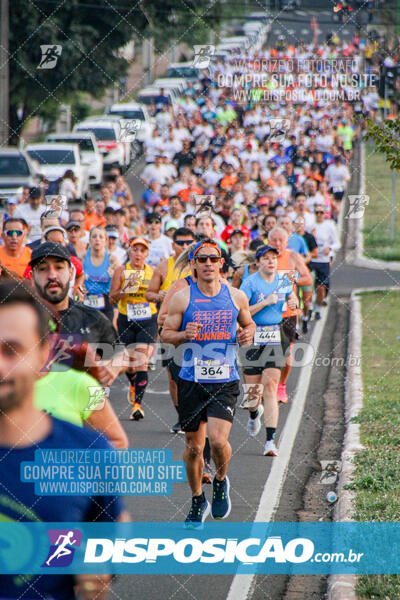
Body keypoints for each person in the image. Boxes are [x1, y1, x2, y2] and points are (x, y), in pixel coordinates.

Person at [0, 281, 129, 600]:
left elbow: (113, 523)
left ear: (44, 352)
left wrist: (99, 571)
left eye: (12, 350)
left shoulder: (91, 449)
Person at [162, 238, 255, 526]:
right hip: (191, 379)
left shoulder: (235, 296)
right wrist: (183, 335)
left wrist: (247, 333)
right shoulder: (182, 298)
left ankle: (220, 479)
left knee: (217, 441)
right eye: (201, 259)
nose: (207, 264)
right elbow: (165, 334)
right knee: (192, 447)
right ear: (193, 264)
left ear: (221, 263)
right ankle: (196, 498)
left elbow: (249, 323)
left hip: (224, 379)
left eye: (213, 259)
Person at [31, 242, 123, 388]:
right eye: (43, 269)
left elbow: (120, 352)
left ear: (71, 273)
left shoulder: (92, 318)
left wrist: (114, 365)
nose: (52, 275)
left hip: (84, 408)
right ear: (32, 277)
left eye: (59, 267)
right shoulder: (19, 321)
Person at [240, 245, 298, 456]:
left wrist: (293, 300)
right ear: (258, 263)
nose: (271, 261)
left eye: (274, 258)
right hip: (253, 335)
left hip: (275, 334)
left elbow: (293, 299)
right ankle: (254, 414)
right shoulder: (250, 282)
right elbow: (242, 310)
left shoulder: (283, 280)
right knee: (252, 395)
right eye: (266, 258)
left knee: (270, 386)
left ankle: (270, 441)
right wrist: (265, 302)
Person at [146, 228, 196, 432]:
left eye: (188, 243)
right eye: (180, 242)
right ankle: (182, 416)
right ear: (172, 244)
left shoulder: (201, 267)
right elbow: (149, 293)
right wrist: (162, 297)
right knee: (174, 377)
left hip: (194, 331)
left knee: (193, 375)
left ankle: (194, 415)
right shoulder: (164, 267)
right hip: (168, 327)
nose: (184, 246)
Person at [109, 237, 157, 421]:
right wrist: (125, 291)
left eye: (142, 250)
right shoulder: (122, 271)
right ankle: (133, 385)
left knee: (141, 361)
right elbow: (112, 298)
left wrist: (156, 296)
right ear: (130, 252)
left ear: (147, 254)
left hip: (147, 320)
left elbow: (155, 296)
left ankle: (137, 405)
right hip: (126, 320)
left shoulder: (152, 273)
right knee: (130, 364)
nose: (138, 254)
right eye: (135, 250)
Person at [268, 227, 312, 403]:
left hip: (288, 311)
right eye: (274, 240)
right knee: (267, 351)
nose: (277, 243)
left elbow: (307, 278)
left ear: (287, 242)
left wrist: (290, 279)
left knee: (287, 353)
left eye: (281, 240)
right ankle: (267, 385)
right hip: (266, 311)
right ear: (268, 241)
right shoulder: (263, 258)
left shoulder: (293, 256)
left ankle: (281, 386)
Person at [309, 205, 341, 320]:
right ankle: (310, 308)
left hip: (324, 261)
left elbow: (337, 243)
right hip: (312, 260)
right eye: (316, 212)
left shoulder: (329, 226)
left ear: (324, 213)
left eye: (321, 212)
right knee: (309, 287)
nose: (319, 215)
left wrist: (330, 248)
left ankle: (317, 308)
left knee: (322, 288)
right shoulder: (310, 227)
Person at [83, 226, 118, 321]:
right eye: (94, 237)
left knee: (105, 334)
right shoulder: (82, 257)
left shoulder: (112, 259)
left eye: (100, 237)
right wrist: (80, 291)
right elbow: (74, 282)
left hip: (105, 301)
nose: (97, 239)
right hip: (86, 300)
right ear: (90, 239)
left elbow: (120, 286)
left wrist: (114, 277)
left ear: (106, 240)